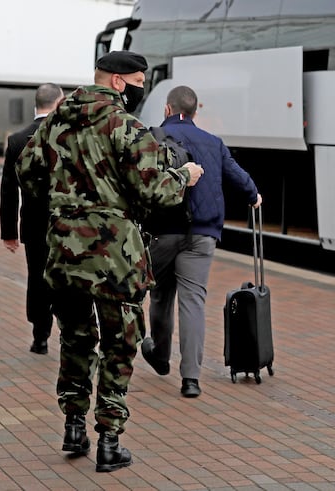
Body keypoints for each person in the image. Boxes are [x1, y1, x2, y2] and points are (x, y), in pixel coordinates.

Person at [16, 52, 203, 472]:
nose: (140, 88)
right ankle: (110, 441)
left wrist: (68, 208)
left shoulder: (54, 123)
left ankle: (73, 427)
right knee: (120, 343)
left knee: (76, 338)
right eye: (138, 81)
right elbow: (156, 192)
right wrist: (184, 177)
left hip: (63, 252)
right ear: (119, 82)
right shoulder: (127, 127)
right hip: (116, 256)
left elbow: (27, 173)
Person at [141, 85, 262, 398]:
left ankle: (161, 355)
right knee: (193, 301)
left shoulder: (152, 138)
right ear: (195, 111)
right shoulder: (213, 142)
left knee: (160, 294)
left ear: (167, 110)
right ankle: (191, 379)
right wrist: (254, 196)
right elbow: (238, 176)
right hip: (203, 234)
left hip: (164, 231)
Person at [0, 83, 64, 354]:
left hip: (34, 223)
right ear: (59, 103)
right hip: (66, 223)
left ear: (35, 104)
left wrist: (9, 231)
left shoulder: (17, 139)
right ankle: (69, 332)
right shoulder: (65, 136)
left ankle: (40, 336)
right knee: (65, 278)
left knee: (37, 278)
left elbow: (8, 189)